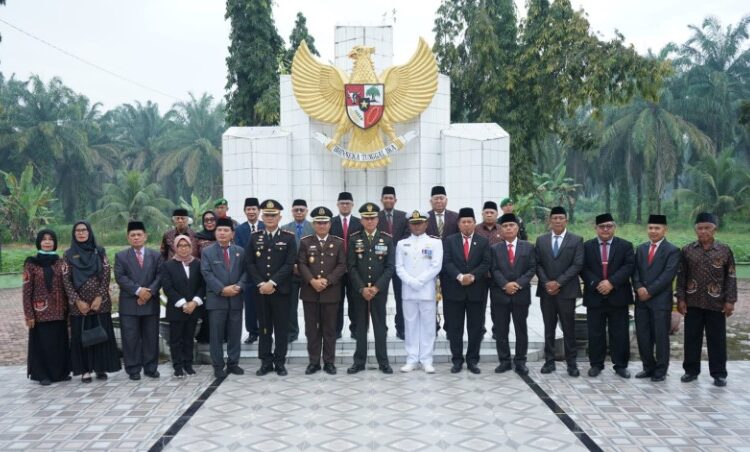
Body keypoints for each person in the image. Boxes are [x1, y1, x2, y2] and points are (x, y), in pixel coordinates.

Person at [676, 212, 737, 387]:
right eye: (700, 228)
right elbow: (681, 276)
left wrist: (730, 301)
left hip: (716, 304)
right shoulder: (687, 250)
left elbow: (731, 276)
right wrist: (680, 298)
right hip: (692, 302)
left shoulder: (724, 250)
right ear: (696, 230)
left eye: (707, 228)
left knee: (716, 339)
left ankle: (719, 374)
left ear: (714, 229)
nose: (703, 232)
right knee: (691, 338)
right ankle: (691, 371)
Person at [63, 221, 121, 383]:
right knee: (81, 337)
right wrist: (77, 301)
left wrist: (99, 297)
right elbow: (66, 280)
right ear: (74, 234)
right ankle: (85, 370)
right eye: (78, 230)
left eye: (84, 230)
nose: (81, 233)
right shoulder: (68, 254)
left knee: (101, 335)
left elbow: (106, 274)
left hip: (99, 304)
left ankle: (100, 367)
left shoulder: (100, 252)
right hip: (78, 306)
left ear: (89, 232)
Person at [246, 200, 297, 377]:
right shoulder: (254, 238)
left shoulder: (288, 238)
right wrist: (261, 283)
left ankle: (280, 362)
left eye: (273, 215)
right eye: (267, 215)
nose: (269, 218)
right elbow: (250, 263)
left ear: (280, 217)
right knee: (264, 328)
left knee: (281, 328)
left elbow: (289, 264)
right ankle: (266, 362)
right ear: (262, 216)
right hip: (261, 292)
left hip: (281, 291)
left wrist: (272, 282)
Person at [581, 213, 635, 378]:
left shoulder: (625, 246)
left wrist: (611, 282)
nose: (605, 229)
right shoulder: (586, 246)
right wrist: (597, 283)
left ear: (614, 227)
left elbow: (629, 267)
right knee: (595, 332)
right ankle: (596, 364)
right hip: (594, 295)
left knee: (619, 332)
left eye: (609, 226)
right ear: (596, 228)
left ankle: (620, 365)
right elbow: (583, 268)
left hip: (618, 295)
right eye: (602, 226)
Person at [440, 207, 491, 374]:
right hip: (454, 291)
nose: (467, 225)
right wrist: (460, 277)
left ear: (475, 224)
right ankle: (457, 360)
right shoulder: (449, 240)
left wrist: (472, 276)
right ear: (458, 224)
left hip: (476, 292)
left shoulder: (483, 241)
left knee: (475, 328)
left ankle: (472, 360)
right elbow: (446, 262)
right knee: (455, 328)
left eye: (470, 222)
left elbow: (486, 263)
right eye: (464, 222)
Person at [347, 202, 395, 375]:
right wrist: (362, 288)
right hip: (360, 292)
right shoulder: (354, 239)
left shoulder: (386, 239)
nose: (369, 221)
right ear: (361, 220)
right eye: (366, 218)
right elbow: (351, 266)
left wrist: (376, 287)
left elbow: (390, 267)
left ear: (377, 219)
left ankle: (383, 361)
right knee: (360, 327)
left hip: (378, 291)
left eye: (372, 218)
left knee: (380, 326)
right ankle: (359, 362)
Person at [535, 206, 584, 377]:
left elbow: (577, 264)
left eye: (560, 218)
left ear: (566, 220)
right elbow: (538, 264)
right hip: (546, 291)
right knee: (549, 328)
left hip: (567, 291)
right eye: (554, 218)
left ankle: (572, 363)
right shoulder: (541, 240)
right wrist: (547, 283)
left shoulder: (576, 240)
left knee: (568, 327)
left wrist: (558, 283)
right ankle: (549, 362)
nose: (557, 221)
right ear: (550, 220)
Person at [297, 207, 347, 375]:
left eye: (325, 222)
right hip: (310, 292)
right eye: (318, 222)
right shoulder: (305, 242)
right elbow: (301, 264)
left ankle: (329, 362)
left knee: (329, 329)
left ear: (330, 224)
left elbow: (342, 265)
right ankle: (313, 362)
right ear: (313, 224)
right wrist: (312, 280)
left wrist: (327, 280)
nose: (322, 225)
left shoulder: (338, 242)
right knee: (312, 329)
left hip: (330, 291)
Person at [632, 214, 680, 382]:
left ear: (664, 230)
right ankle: (648, 367)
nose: (653, 231)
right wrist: (638, 287)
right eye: (650, 228)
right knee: (643, 335)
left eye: (657, 228)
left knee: (660, 337)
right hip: (641, 300)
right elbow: (635, 271)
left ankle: (660, 370)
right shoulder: (641, 248)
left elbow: (668, 275)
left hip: (660, 301)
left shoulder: (672, 250)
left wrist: (649, 291)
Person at [114, 221, 163, 380]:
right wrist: (138, 291)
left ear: (145, 236)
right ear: (128, 238)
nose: (136, 238)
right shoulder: (121, 256)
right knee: (130, 338)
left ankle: (150, 367)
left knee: (151, 337)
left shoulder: (156, 255)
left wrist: (149, 292)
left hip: (150, 302)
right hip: (129, 304)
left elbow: (160, 276)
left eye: (139, 234)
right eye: (132, 235)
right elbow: (121, 277)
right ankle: (133, 369)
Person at [396, 210, 443, 373]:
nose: (417, 226)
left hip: (427, 291)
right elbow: (399, 267)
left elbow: (436, 266)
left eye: (420, 223)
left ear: (426, 224)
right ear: (409, 225)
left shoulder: (435, 243)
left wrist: (420, 281)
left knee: (428, 326)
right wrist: (411, 282)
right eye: (413, 223)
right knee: (410, 326)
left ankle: (426, 359)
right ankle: (411, 359)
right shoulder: (402, 244)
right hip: (408, 291)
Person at [489, 213, 537, 375]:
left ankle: (520, 361)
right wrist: (505, 284)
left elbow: (532, 268)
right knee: (501, 330)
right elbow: (493, 269)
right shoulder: (494, 249)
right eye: (505, 226)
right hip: (500, 295)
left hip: (520, 294)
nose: (508, 228)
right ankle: (504, 361)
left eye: (512, 225)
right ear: (500, 230)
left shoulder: (528, 247)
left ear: (517, 228)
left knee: (520, 329)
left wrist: (518, 284)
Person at [22, 229, 71, 385]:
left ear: (55, 242)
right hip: (40, 312)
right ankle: (43, 375)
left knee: (59, 343)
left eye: (51, 239)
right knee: (43, 345)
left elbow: (67, 286)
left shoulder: (60, 262)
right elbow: (26, 291)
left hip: (59, 311)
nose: (48, 242)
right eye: (44, 239)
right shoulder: (31, 263)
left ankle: (60, 373)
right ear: (39, 242)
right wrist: (29, 314)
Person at [200, 217, 246, 378]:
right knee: (216, 335)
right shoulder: (207, 252)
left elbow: (246, 272)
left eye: (226, 230)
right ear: (215, 233)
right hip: (216, 300)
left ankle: (233, 363)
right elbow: (206, 273)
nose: (222, 233)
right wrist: (221, 289)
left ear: (232, 234)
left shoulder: (240, 251)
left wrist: (238, 286)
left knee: (235, 333)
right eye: (219, 230)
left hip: (236, 298)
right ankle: (218, 366)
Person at [161, 235, 205, 377]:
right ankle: (178, 366)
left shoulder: (198, 263)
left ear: (191, 247)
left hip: (193, 307)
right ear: (175, 247)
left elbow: (202, 285)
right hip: (176, 309)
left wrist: (194, 302)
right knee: (176, 339)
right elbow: (168, 287)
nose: (183, 249)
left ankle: (188, 364)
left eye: (186, 246)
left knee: (189, 338)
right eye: (180, 246)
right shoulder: (168, 265)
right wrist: (182, 303)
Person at [377, 186, 409, 340]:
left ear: (395, 200)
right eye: (386, 198)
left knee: (400, 297)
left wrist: (393, 248)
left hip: (399, 264)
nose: (388, 200)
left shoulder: (404, 217)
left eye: (391, 198)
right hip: (380, 264)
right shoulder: (375, 217)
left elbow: (407, 237)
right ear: (381, 200)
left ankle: (401, 328)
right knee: (381, 297)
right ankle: (381, 328)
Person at [330, 191, 362, 339]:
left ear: (352, 205)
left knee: (355, 301)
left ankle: (356, 330)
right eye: (342, 203)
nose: (344, 206)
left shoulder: (359, 222)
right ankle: (335, 330)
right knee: (336, 301)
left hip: (354, 269)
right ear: (337, 205)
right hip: (335, 270)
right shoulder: (330, 222)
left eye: (347, 203)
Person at [281, 199, 314, 343]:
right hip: (291, 272)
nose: (299, 212)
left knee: (311, 304)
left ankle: (312, 331)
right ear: (292, 211)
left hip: (310, 272)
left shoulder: (314, 227)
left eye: (302, 209)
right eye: (296, 210)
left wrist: (305, 267)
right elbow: (283, 251)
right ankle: (292, 332)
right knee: (290, 305)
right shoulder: (285, 228)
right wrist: (292, 265)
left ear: (306, 211)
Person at [473, 201, 505, 341]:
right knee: (479, 304)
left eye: (492, 212)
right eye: (487, 212)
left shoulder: (502, 229)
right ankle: (479, 330)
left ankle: (497, 331)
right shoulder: (475, 229)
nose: (489, 214)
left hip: (498, 274)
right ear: (482, 214)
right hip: (480, 274)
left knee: (497, 305)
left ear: (497, 214)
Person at [235, 197, 264, 345]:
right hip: (248, 274)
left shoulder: (266, 226)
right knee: (250, 305)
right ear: (245, 211)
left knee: (265, 305)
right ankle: (252, 332)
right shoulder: (239, 230)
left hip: (266, 274)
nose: (251, 212)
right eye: (248, 209)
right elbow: (240, 251)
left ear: (259, 211)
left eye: (254, 209)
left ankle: (266, 331)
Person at [194, 210, 217, 344]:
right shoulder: (198, 237)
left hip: (222, 277)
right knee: (206, 307)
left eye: (212, 219)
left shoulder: (223, 235)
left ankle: (222, 335)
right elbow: (195, 257)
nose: (209, 222)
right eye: (206, 220)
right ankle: (205, 336)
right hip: (204, 276)